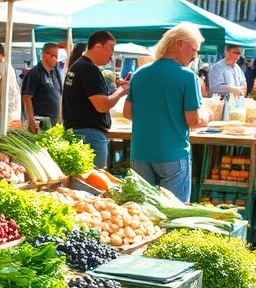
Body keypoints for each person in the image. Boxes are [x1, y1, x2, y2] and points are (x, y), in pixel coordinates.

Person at [124, 23, 210, 203]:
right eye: (193, 49)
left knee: (143, 215)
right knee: (174, 215)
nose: (195, 56)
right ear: (178, 44)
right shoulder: (187, 76)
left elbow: (127, 112)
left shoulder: (140, 73)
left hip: (140, 154)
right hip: (173, 155)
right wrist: (206, 116)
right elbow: (193, 121)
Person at [62, 31, 128, 169]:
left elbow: (93, 100)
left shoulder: (78, 66)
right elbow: (102, 105)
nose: (112, 55)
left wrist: (116, 91)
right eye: (111, 48)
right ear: (98, 46)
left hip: (78, 132)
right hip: (90, 135)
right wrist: (121, 92)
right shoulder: (89, 69)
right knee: (93, 184)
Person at [21, 43, 62, 133]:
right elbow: (27, 97)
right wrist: (31, 121)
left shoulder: (55, 72)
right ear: (45, 55)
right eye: (54, 56)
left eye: (57, 56)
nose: (56, 59)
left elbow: (60, 94)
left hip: (55, 122)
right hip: (40, 123)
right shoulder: (34, 74)